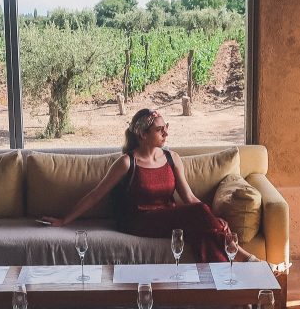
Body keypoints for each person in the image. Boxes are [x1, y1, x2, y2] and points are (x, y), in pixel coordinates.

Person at [42, 108, 257, 263]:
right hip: (137, 221)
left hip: (167, 217)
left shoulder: (172, 158)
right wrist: (64, 220)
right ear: (143, 135)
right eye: (159, 129)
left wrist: (214, 221)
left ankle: (231, 290)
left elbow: (189, 198)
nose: (166, 133)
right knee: (201, 218)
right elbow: (96, 195)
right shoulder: (127, 162)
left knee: (204, 234)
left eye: (166, 128)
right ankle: (246, 260)